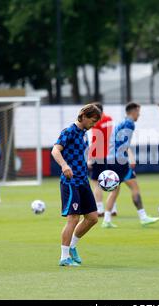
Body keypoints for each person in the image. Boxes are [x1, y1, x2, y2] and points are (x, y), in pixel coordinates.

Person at [51, 104, 102, 267]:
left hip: (83, 180)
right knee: (73, 218)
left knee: (93, 217)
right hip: (70, 182)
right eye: (92, 120)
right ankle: (64, 257)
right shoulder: (69, 131)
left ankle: (72, 246)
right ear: (84, 116)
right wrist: (65, 166)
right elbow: (55, 151)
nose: (93, 124)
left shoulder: (84, 134)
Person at [102, 102, 159, 228]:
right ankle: (143, 217)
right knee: (134, 187)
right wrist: (130, 158)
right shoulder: (129, 123)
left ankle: (106, 220)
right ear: (133, 111)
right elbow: (124, 143)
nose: (139, 115)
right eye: (138, 112)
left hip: (111, 159)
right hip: (119, 161)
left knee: (115, 191)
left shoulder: (121, 123)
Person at [87, 102, 118, 217]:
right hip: (112, 154)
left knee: (96, 183)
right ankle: (112, 208)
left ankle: (100, 209)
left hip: (98, 154)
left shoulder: (96, 121)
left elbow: (95, 140)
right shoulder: (109, 119)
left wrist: (90, 158)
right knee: (110, 181)